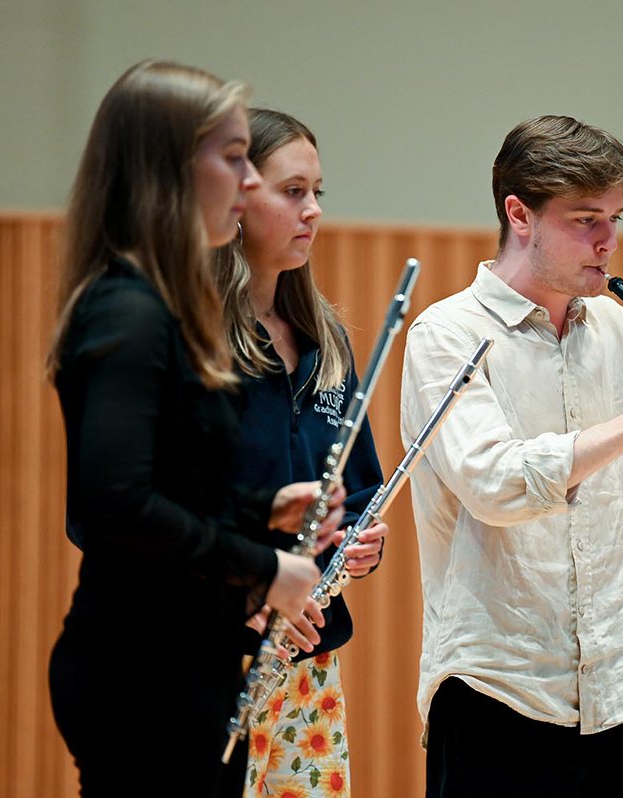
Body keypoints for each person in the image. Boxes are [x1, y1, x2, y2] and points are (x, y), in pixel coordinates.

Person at [400, 114, 623, 798]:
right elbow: (497, 485)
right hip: (496, 690)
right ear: (520, 215)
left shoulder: (618, 330)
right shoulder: (445, 336)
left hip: (619, 689)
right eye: (587, 220)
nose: (609, 242)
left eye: (616, 219)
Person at [45, 61, 344, 798]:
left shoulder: (157, 306)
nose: (248, 183)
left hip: (180, 663)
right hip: (140, 669)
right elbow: (116, 507)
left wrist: (263, 513)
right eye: (235, 158)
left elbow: (170, 489)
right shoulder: (130, 311)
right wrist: (268, 566)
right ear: (170, 169)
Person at [213, 108, 387, 798]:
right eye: (293, 192)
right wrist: (250, 589)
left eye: (318, 193)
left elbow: (364, 482)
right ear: (238, 196)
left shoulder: (327, 342)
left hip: (308, 658)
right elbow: (163, 504)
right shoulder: (192, 340)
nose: (313, 211)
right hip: (217, 650)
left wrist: (362, 543)